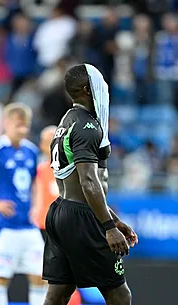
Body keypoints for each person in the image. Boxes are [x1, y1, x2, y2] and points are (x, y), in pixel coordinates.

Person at [42, 63, 137, 305]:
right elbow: (88, 181)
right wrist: (109, 227)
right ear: (87, 89)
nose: (104, 89)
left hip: (61, 211)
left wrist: (114, 220)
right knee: (119, 293)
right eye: (99, 84)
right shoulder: (87, 126)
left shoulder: (66, 121)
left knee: (59, 293)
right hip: (83, 216)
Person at [0, 102, 47, 305]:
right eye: (18, 125)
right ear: (6, 123)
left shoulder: (31, 151)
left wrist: (36, 205)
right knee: (0, 280)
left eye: (26, 125)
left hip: (28, 226)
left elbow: (34, 181)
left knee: (40, 276)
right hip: (4, 227)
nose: (23, 130)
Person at [33, 125, 82, 305]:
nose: (44, 146)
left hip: (64, 228)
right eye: (44, 142)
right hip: (43, 227)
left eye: (48, 142)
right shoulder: (41, 169)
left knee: (66, 277)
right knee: (46, 275)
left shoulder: (71, 168)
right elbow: (37, 196)